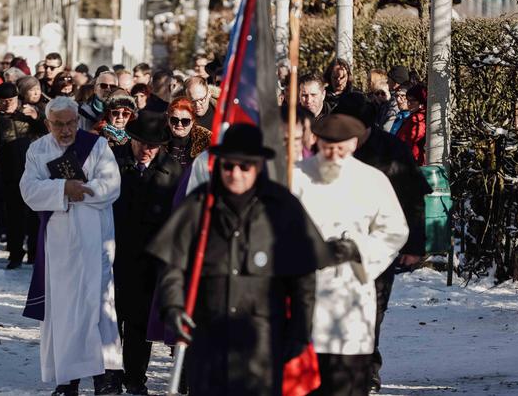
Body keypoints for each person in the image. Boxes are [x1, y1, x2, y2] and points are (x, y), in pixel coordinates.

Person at [147, 123, 328, 396]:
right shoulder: (200, 204)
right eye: (228, 166)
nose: (235, 174)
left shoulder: (282, 207)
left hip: (262, 339)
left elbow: (303, 278)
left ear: (258, 166)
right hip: (208, 334)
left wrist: (301, 331)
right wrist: (173, 306)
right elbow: (172, 264)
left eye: (245, 167)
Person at [292, 114, 409, 396]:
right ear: (316, 141)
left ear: (354, 144)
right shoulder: (295, 176)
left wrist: (360, 250)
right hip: (302, 294)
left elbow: (394, 230)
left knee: (347, 384)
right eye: (328, 147)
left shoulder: (372, 180)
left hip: (349, 294)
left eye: (341, 148)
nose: (333, 154)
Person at [20, 96, 123, 395]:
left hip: (94, 238)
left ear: (78, 121)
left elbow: (111, 186)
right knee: (64, 309)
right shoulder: (38, 150)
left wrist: (81, 190)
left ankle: (105, 376)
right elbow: (29, 190)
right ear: (47, 123)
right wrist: (63, 188)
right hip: (59, 242)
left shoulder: (98, 146)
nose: (65, 131)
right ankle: (67, 380)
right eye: (58, 125)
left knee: (98, 305)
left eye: (70, 124)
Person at [331, 93, 430, 392]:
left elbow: (413, 199)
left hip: (379, 245)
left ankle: (368, 368)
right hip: (336, 245)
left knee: (373, 308)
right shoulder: (329, 150)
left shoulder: (392, 151)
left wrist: (414, 247)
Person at [111, 110, 183, 395]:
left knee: (140, 322)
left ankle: (135, 377)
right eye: (141, 143)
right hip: (114, 252)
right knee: (111, 319)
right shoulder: (112, 161)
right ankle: (110, 373)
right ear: (131, 138)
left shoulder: (172, 171)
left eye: (152, 145)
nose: (146, 150)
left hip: (150, 259)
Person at [0, 82, 44, 269]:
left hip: (33, 170)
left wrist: (36, 117)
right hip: (10, 171)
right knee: (14, 214)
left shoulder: (28, 111)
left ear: (17, 98)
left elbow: (47, 131)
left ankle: (35, 253)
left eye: (10, 101)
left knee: (35, 214)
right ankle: (15, 253)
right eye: (3, 101)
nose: (7, 105)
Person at [164, 98, 211, 169]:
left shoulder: (206, 141)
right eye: (174, 120)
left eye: (185, 121)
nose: (179, 124)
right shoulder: (156, 139)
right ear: (168, 119)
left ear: (192, 122)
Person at [396, 83, 427, 165]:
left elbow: (411, 139)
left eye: (412, 101)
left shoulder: (418, 119)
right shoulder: (414, 116)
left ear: (421, 102)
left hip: (411, 160)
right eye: (408, 100)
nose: (409, 104)